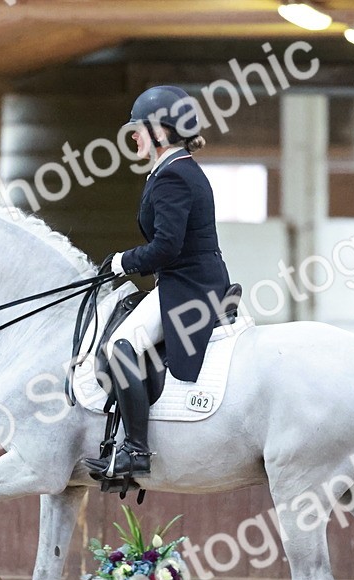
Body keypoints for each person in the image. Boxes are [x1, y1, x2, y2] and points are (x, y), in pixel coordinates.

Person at [82, 85, 231, 481]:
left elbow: (166, 247)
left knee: (119, 345)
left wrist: (121, 261)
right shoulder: (174, 170)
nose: (133, 135)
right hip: (190, 278)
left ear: (161, 132)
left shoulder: (173, 177)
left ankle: (135, 451)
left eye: (139, 128)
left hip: (187, 285)